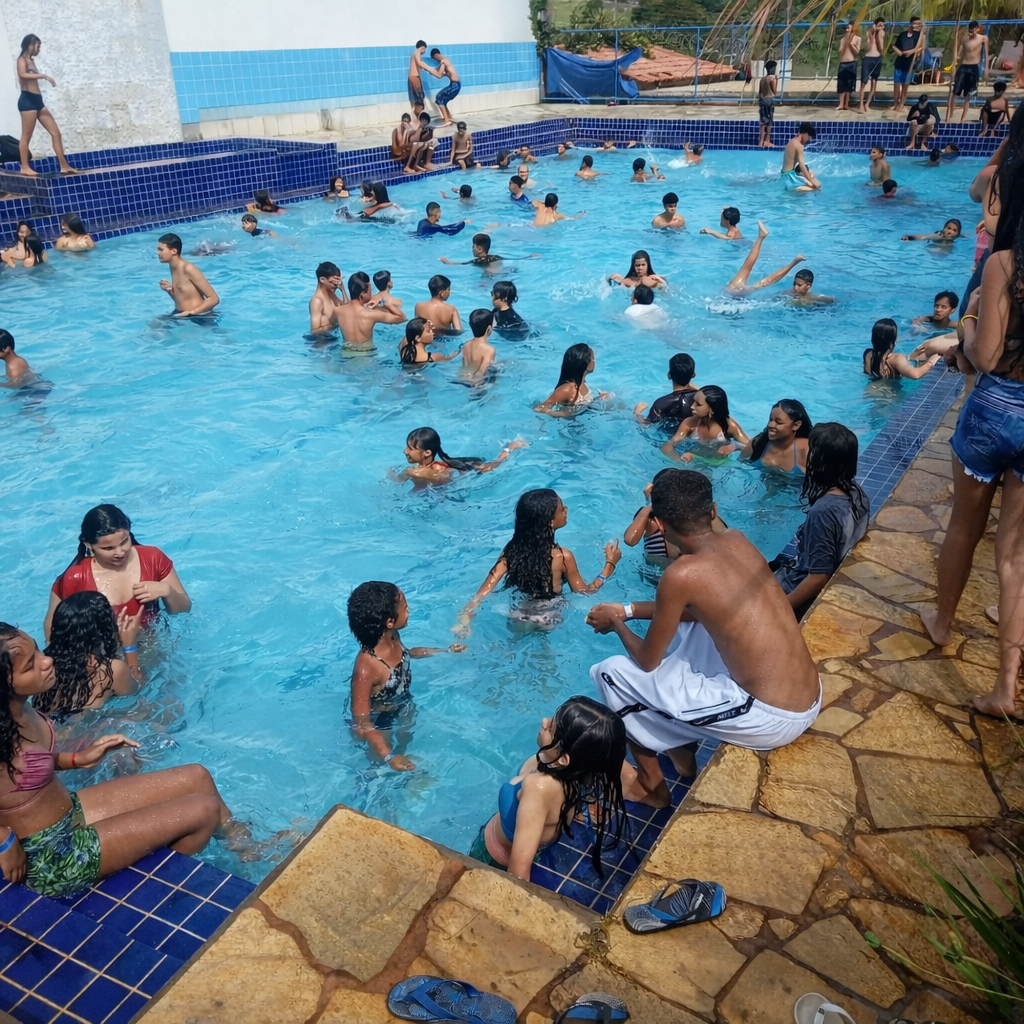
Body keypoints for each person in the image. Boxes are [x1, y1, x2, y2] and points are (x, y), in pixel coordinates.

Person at [586, 470, 821, 803]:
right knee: (692, 624)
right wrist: (626, 609)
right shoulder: (737, 540)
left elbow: (647, 661)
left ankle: (650, 785)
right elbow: (702, 610)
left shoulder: (680, 574)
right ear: (712, 511)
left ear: (661, 526)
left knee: (610, 673)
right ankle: (680, 744)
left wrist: (617, 624)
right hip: (809, 695)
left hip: (772, 717)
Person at [0, 625, 237, 897]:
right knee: (204, 811)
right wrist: (4, 840)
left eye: (38, 650)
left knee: (198, 776)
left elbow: (24, 767)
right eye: (30, 665)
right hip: (52, 855)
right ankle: (149, 893)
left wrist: (77, 758)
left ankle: (246, 850)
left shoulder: (20, 708)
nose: (47, 661)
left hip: (72, 812)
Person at [920, 150, 1024, 716]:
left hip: (995, 409)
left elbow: (983, 355)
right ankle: (1007, 686)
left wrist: (966, 319)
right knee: (1016, 557)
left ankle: (941, 622)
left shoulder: (1003, 263)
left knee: (964, 528)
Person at [470, 696, 626, 881]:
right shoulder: (580, 771)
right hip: (522, 841)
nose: (544, 721)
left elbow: (518, 871)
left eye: (551, 728)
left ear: (563, 759)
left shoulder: (538, 788)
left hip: (493, 857)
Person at [456, 489, 621, 634]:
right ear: (550, 521)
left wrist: (465, 618)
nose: (566, 510)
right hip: (548, 616)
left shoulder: (512, 550)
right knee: (545, 659)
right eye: (562, 509)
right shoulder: (563, 557)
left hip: (518, 614)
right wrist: (609, 565)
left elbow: (483, 592)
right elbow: (585, 593)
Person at [347, 582, 464, 771]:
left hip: (404, 703)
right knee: (378, 769)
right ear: (389, 621)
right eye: (405, 607)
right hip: (379, 720)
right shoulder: (366, 667)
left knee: (407, 747)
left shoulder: (394, 636)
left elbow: (408, 654)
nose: (409, 609)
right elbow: (361, 722)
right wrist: (389, 756)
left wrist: (445, 650)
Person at [44, 505, 192, 642]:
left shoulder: (153, 558)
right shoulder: (75, 578)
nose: (120, 552)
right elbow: (53, 633)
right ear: (88, 544)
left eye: (124, 541)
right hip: (107, 657)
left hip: (152, 646)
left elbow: (183, 610)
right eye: (108, 548)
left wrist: (166, 591)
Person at [771, 423, 870, 617]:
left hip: (794, 589)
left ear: (821, 460)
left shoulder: (823, 511)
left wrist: (781, 611)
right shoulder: (857, 493)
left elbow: (818, 577)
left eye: (810, 449)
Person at [37, 592, 141, 714]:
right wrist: (129, 646)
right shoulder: (112, 669)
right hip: (83, 730)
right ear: (104, 630)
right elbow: (137, 690)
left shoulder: (46, 663)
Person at [14, 35, 76, 176]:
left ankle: (64, 165)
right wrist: (43, 76)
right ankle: (24, 167)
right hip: (27, 100)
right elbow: (22, 74)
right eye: (38, 46)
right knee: (26, 136)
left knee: (55, 133)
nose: (39, 49)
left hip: (37, 101)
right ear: (31, 44)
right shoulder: (22, 59)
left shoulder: (31, 60)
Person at [397, 426, 524, 486]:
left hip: (459, 490)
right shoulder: (414, 469)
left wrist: (418, 474)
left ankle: (511, 447)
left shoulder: (438, 468)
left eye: (410, 448)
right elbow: (398, 480)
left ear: (427, 453)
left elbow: (442, 479)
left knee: (490, 467)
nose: (405, 451)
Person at [662, 385, 750, 460]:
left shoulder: (729, 426)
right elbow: (667, 446)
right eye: (693, 402)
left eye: (698, 404)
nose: (692, 406)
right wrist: (679, 460)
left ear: (712, 409)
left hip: (718, 462)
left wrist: (735, 447)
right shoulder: (689, 424)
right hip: (695, 459)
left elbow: (751, 446)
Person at [723, 222, 807, 296]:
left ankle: (761, 238)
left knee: (761, 279)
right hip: (732, 293)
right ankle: (760, 238)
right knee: (748, 269)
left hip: (734, 296)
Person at [336, 271, 406, 349]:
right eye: (370, 289)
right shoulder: (371, 314)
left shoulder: (337, 311)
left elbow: (347, 305)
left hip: (345, 354)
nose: (371, 292)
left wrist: (342, 289)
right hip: (366, 355)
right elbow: (402, 318)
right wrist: (386, 304)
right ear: (363, 294)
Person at [156, 234, 220, 317]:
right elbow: (182, 299)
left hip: (200, 317)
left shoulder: (188, 268)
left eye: (161, 250)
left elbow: (214, 299)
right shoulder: (173, 266)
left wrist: (191, 313)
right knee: (156, 323)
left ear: (174, 251)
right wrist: (168, 290)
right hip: (182, 314)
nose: (157, 253)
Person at [742, 399, 812, 474]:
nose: (770, 425)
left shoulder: (806, 450)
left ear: (796, 425)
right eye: (771, 420)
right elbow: (740, 466)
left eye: (778, 422)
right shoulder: (757, 444)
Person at [535, 344, 607, 416]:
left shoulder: (582, 383)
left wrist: (598, 399)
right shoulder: (568, 389)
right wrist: (565, 414)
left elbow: (583, 405)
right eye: (592, 359)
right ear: (583, 363)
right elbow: (539, 409)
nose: (594, 362)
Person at [863, 317, 941, 379]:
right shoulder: (897, 358)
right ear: (894, 338)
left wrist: (911, 357)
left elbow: (883, 363)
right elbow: (916, 375)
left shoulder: (868, 354)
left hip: (870, 390)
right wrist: (931, 361)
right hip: (890, 396)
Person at [635, 353, 699, 427]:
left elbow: (646, 425)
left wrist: (637, 413)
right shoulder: (702, 400)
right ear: (693, 375)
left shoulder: (661, 403)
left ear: (669, 375)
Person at [954, 22, 989, 123]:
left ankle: (963, 118)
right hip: (963, 66)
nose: (971, 32)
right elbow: (959, 51)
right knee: (954, 92)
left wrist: (986, 69)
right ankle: (950, 115)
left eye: (973, 29)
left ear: (978, 29)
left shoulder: (983, 38)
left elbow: (986, 55)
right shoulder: (965, 39)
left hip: (973, 67)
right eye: (970, 30)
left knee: (968, 95)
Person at [440, 233, 539, 267]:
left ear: (480, 248)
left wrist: (447, 261)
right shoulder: (496, 257)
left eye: (473, 246)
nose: (472, 249)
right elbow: (514, 258)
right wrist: (529, 256)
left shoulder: (477, 261)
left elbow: (461, 264)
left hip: (490, 275)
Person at [892, 17, 924, 113]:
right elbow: (894, 45)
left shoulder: (918, 36)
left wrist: (910, 52)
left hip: (909, 63)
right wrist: (899, 52)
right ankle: (896, 103)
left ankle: (902, 103)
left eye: (919, 24)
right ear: (911, 24)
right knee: (897, 84)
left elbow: (920, 47)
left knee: (905, 85)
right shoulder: (903, 35)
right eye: (915, 23)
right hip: (899, 62)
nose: (917, 26)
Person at [309, 261, 347, 335]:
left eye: (338, 282)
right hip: (321, 341)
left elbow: (347, 308)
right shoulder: (317, 301)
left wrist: (342, 289)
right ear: (322, 279)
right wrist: (335, 322)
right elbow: (314, 331)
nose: (337, 284)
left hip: (332, 335)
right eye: (333, 283)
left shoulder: (331, 293)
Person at [781, 124, 821, 191]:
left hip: (784, 175)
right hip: (790, 177)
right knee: (817, 186)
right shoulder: (799, 146)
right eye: (808, 137)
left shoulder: (791, 141)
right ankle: (798, 189)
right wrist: (812, 181)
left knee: (812, 175)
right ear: (805, 134)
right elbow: (802, 166)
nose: (807, 140)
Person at [461, 308, 497, 380]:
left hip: (464, 379)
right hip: (477, 384)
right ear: (489, 329)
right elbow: (481, 373)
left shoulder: (466, 345)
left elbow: (465, 368)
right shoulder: (489, 350)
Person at [858, 18, 886, 112]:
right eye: (879, 25)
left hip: (877, 58)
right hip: (868, 58)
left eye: (882, 25)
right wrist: (872, 33)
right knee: (863, 82)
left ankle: (867, 103)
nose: (880, 27)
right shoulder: (868, 32)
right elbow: (868, 47)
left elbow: (881, 48)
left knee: (874, 83)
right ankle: (861, 104)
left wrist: (878, 34)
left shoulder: (882, 33)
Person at [428, 48, 460, 126]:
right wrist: (432, 71)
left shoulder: (443, 61)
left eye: (434, 58)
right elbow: (441, 72)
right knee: (443, 100)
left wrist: (429, 69)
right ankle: (449, 118)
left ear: (435, 56)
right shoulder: (445, 60)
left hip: (455, 85)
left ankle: (446, 121)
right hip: (455, 85)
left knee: (439, 97)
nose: (435, 60)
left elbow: (439, 75)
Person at [836, 22, 861, 111]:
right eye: (847, 27)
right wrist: (846, 42)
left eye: (849, 26)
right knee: (841, 84)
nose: (847, 28)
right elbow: (840, 51)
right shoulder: (843, 39)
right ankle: (841, 104)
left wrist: (851, 44)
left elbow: (857, 52)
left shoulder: (857, 39)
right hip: (843, 63)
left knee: (849, 85)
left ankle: (846, 104)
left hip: (851, 63)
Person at [759, 60, 778, 148]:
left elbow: (760, 92)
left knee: (763, 122)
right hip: (769, 100)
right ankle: (767, 140)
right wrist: (776, 81)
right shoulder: (772, 78)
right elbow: (774, 92)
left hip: (762, 101)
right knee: (769, 122)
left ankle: (761, 142)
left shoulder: (762, 79)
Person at [407, 40, 430, 116]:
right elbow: (420, 63)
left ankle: (416, 117)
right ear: (423, 48)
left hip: (414, 77)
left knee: (419, 99)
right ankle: (415, 118)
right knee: (420, 100)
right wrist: (430, 69)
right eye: (425, 49)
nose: (424, 51)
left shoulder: (416, 55)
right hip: (414, 77)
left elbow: (421, 65)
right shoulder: (417, 51)